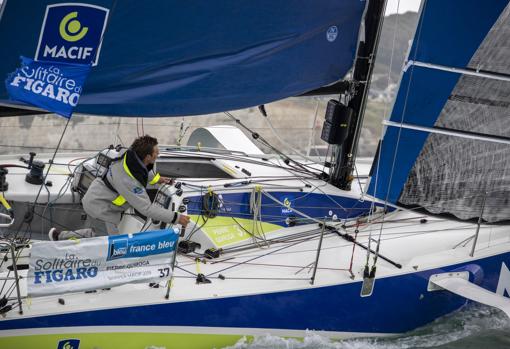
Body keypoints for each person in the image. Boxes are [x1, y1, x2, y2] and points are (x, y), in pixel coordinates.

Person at [49, 135, 189, 240]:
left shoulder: (127, 155)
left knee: (97, 234)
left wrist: (157, 179)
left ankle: (59, 236)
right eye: (156, 152)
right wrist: (176, 217)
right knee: (112, 245)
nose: (158, 154)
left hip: (95, 200)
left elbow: (141, 173)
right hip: (102, 209)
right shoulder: (129, 182)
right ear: (147, 157)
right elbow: (146, 208)